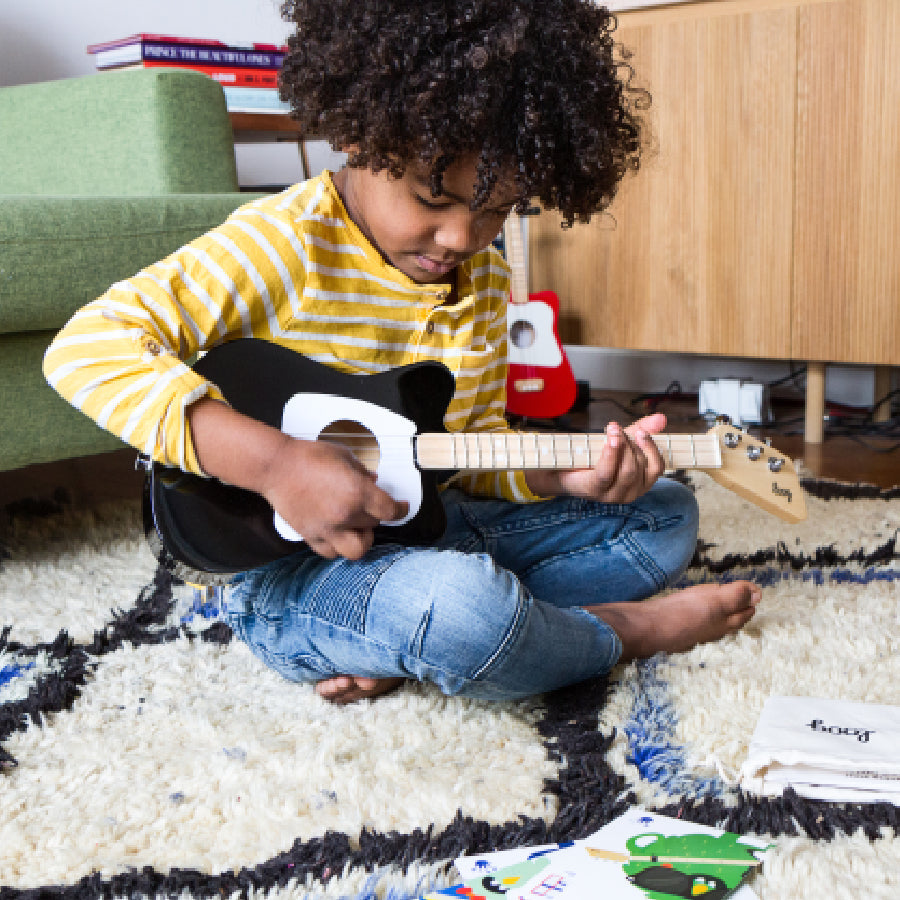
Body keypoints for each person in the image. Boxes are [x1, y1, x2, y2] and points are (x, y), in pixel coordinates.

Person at [44, 0, 760, 705]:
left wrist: (563, 482)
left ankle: (427, 635)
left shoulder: (477, 280)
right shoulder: (277, 245)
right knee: (465, 610)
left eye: (495, 209)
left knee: (665, 515)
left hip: (436, 529)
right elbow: (84, 349)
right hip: (293, 575)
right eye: (433, 198)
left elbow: (469, 450)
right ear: (360, 138)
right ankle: (613, 634)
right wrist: (277, 465)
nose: (460, 237)